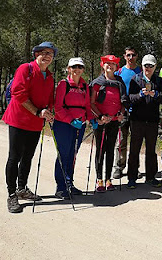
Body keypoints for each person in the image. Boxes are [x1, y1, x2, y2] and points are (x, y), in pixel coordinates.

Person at [2, 41, 57, 213]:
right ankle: (12, 195)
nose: (47, 56)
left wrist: (49, 111)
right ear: (36, 54)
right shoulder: (25, 69)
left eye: (50, 54)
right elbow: (17, 93)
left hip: (35, 123)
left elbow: (50, 98)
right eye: (44, 52)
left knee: (28, 157)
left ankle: (22, 188)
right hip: (19, 120)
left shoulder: (49, 76)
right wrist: (37, 111)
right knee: (15, 156)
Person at [52, 57, 95, 199]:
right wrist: (70, 120)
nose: (77, 69)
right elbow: (58, 107)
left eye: (80, 67)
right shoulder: (63, 84)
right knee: (63, 155)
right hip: (64, 125)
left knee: (72, 155)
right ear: (69, 69)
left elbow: (87, 107)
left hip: (79, 125)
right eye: (74, 66)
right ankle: (61, 187)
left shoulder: (84, 86)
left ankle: (69, 183)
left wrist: (92, 119)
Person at [126, 54, 162, 189]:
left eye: (151, 65)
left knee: (151, 150)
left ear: (155, 67)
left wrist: (155, 95)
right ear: (142, 66)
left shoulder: (159, 81)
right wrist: (140, 95)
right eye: (146, 65)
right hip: (137, 120)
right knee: (134, 149)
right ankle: (131, 178)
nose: (148, 68)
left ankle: (151, 177)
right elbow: (130, 98)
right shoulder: (135, 79)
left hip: (153, 121)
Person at [90, 55, 129, 192]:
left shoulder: (119, 82)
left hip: (113, 121)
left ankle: (108, 179)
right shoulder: (97, 83)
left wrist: (121, 114)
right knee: (100, 151)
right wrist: (99, 116)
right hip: (101, 122)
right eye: (107, 63)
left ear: (116, 67)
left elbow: (124, 101)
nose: (110, 66)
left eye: (113, 64)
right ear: (102, 65)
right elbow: (91, 102)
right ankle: (99, 179)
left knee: (111, 149)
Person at [113, 47, 142, 179]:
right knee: (121, 141)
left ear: (137, 56)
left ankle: (134, 167)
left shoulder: (141, 71)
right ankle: (119, 167)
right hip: (122, 111)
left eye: (133, 55)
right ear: (124, 56)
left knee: (136, 141)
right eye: (128, 55)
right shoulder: (119, 72)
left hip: (137, 111)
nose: (131, 57)